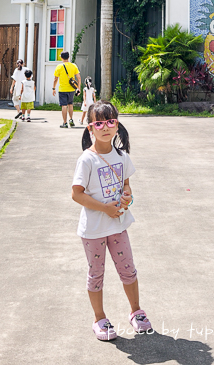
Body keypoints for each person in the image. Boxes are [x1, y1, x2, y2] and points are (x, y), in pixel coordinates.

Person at [71, 101, 152, 341]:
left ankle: (136, 311)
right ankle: (99, 318)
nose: (105, 127)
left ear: (117, 126)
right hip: (94, 230)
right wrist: (105, 208)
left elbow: (126, 186)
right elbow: (76, 194)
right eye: (99, 123)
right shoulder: (87, 160)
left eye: (111, 122)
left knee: (128, 269)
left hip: (118, 225)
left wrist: (127, 198)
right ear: (90, 128)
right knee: (96, 274)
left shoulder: (122, 156)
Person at [52, 50, 81, 128]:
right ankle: (71, 119)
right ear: (68, 57)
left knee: (64, 106)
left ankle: (65, 123)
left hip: (62, 89)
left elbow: (55, 79)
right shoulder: (73, 66)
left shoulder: (59, 66)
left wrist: (53, 88)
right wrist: (78, 88)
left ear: (61, 58)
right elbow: (79, 77)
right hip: (71, 89)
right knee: (70, 104)